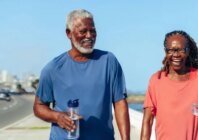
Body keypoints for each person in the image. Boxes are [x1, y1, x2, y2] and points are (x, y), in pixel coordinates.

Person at [33, 9, 130, 140]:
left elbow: (119, 103)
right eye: (83, 31)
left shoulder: (109, 61)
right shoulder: (53, 68)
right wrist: (57, 117)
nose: (89, 36)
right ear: (69, 33)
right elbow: (39, 106)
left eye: (93, 31)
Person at [140, 30, 198, 140]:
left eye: (181, 50)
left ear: (188, 51)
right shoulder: (156, 80)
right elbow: (148, 120)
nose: (176, 55)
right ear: (165, 51)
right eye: (171, 50)